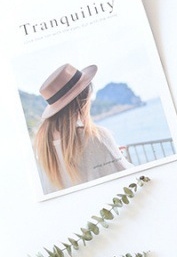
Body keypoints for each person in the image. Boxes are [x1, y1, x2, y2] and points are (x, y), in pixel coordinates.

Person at [34, 62, 133, 193]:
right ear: (83, 99)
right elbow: (131, 180)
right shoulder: (96, 136)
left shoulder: (41, 148)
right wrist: (116, 156)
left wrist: (107, 154)